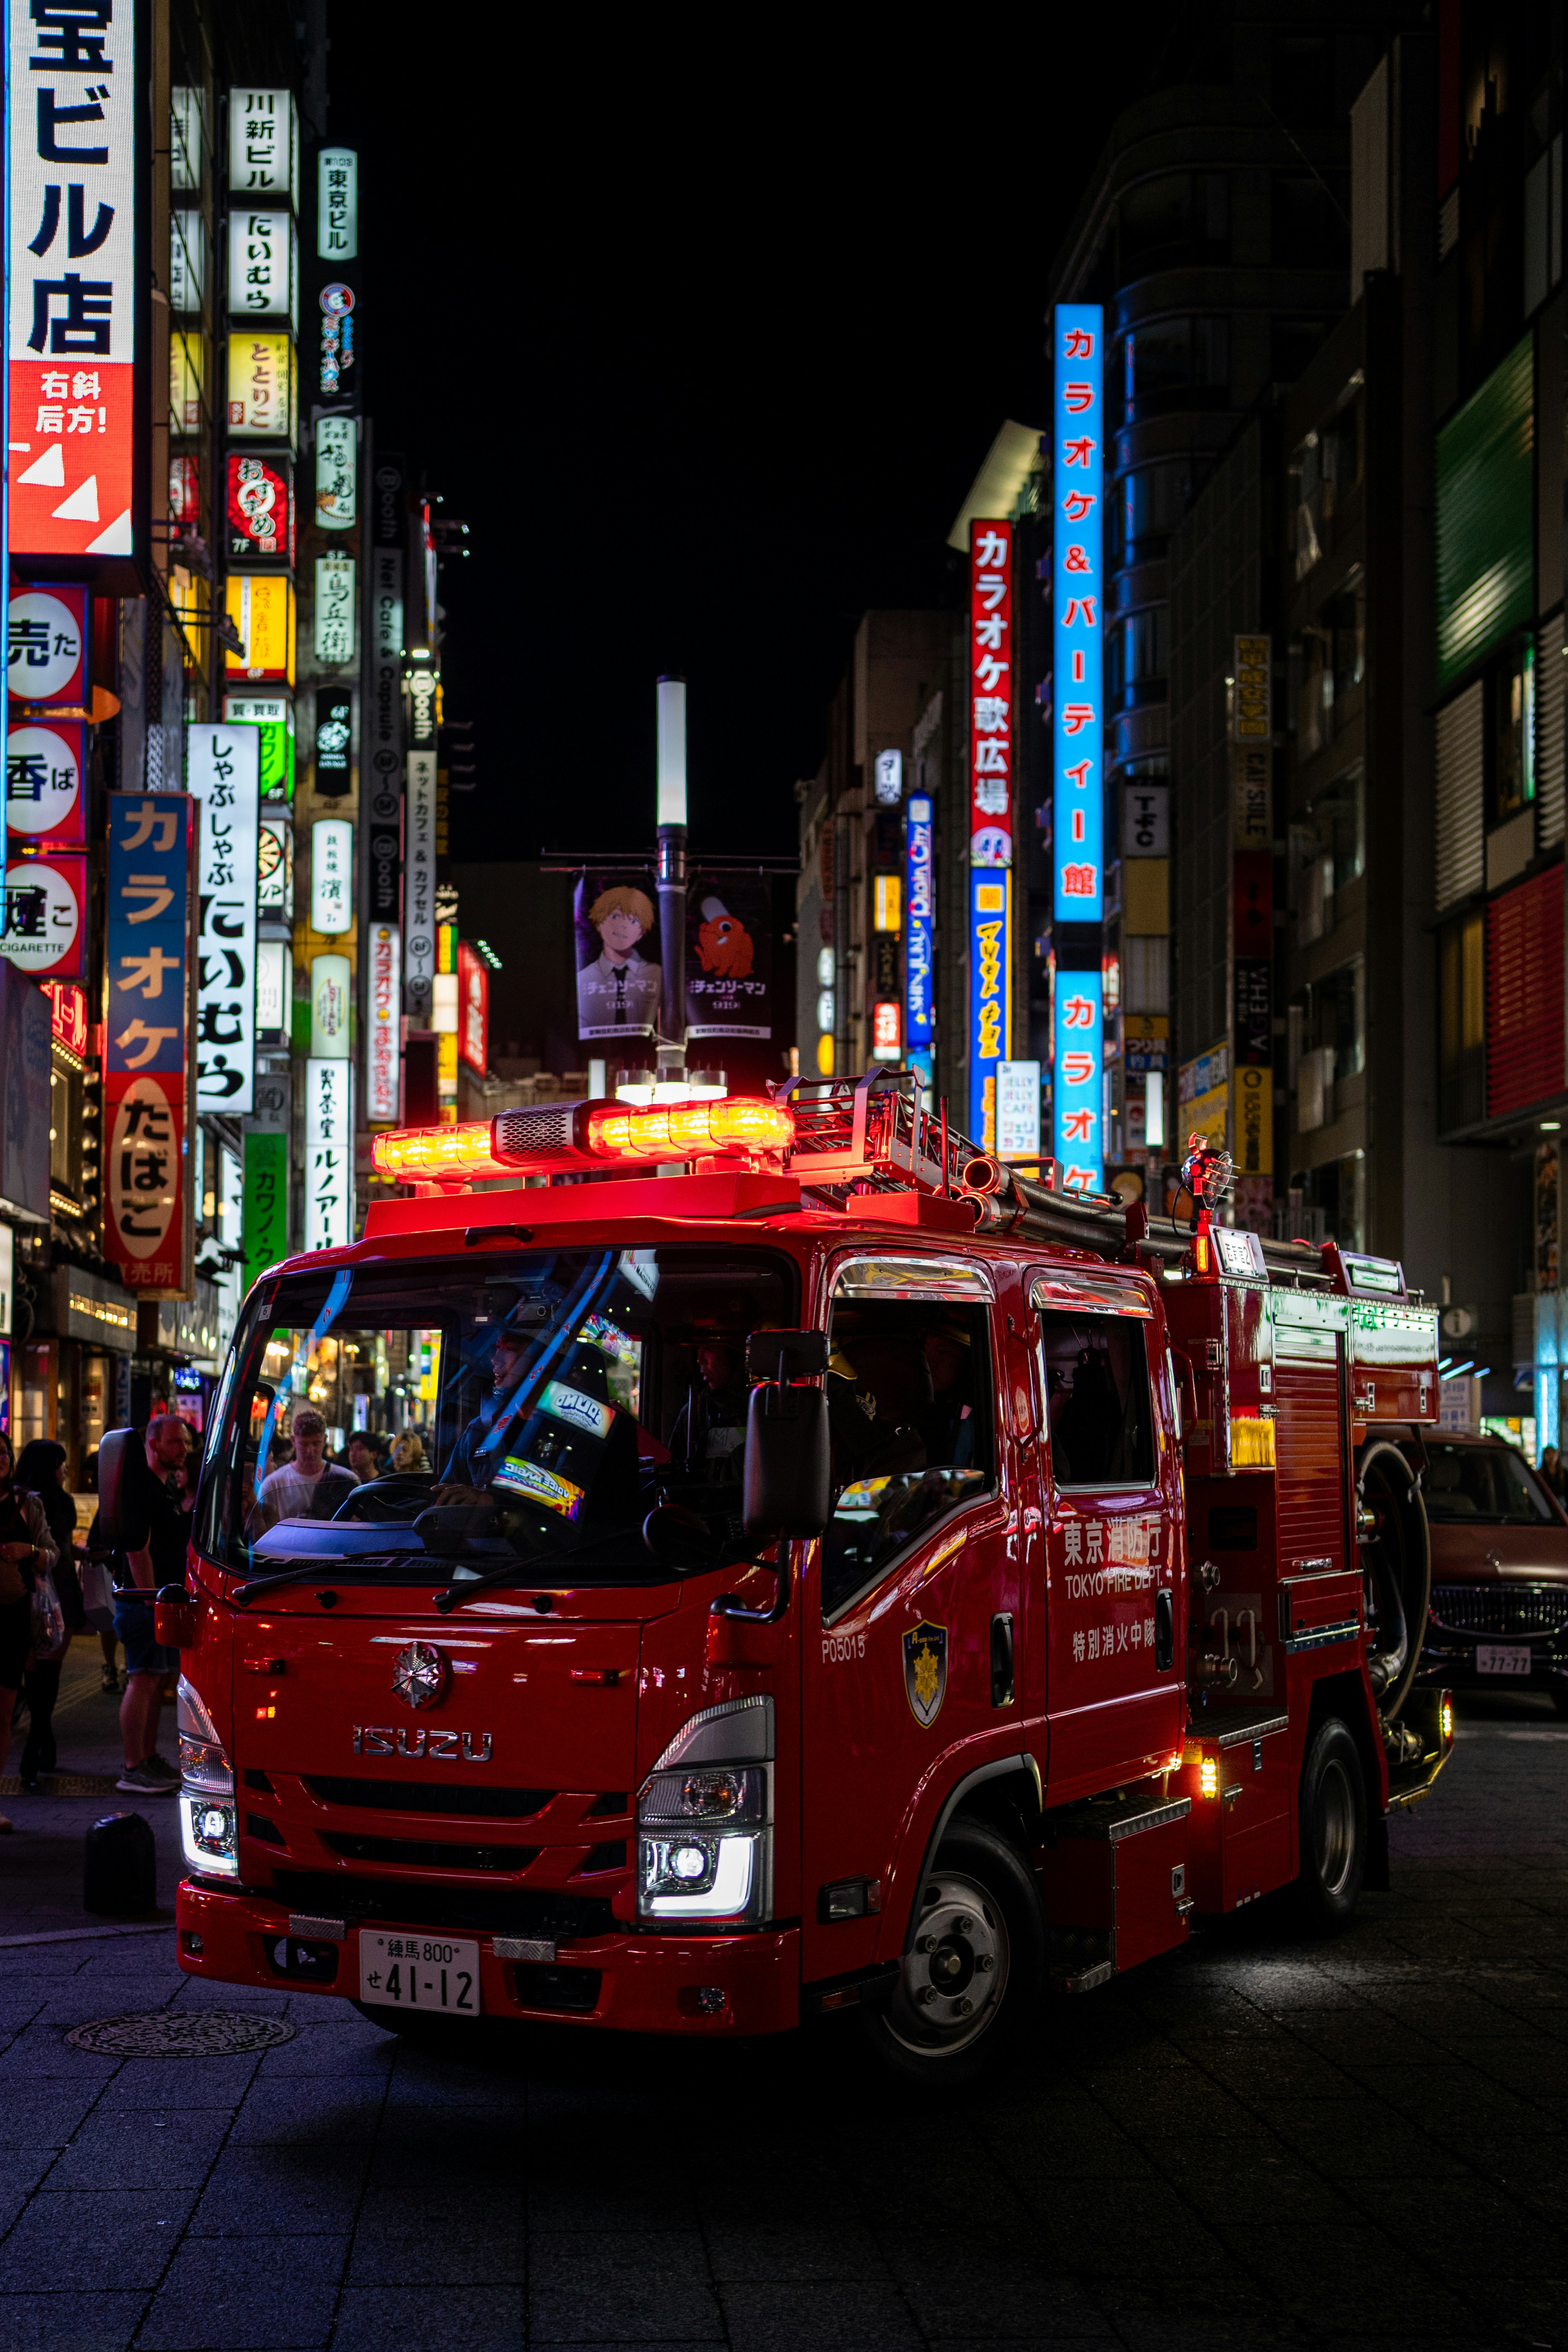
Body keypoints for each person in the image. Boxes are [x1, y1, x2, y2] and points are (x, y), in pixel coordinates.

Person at [114, 1415, 194, 1796]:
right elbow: (137, 1549)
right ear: (153, 1443)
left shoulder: (165, 1489)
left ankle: (147, 1758)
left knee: (156, 1680)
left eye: (185, 1442)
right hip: (145, 1602)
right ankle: (133, 1766)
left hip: (160, 1600)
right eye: (175, 1441)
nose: (183, 1449)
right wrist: (149, 1599)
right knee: (143, 1679)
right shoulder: (143, 1487)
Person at [13, 1440, 86, 1790]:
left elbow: (63, 1546)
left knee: (42, 1674)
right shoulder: (28, 1502)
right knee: (44, 1673)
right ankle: (40, 1742)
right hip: (47, 1591)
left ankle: (40, 1741)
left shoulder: (55, 1501)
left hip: (51, 1591)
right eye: (60, 1464)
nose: (64, 1471)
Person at [0, 1431, 60, 1832]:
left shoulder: (27, 1504)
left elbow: (52, 1554)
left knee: (3, 1713)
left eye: (4, 1452)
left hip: (13, 1620)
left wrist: (30, 1552)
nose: (0, 1459)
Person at [576, 884, 660, 1034]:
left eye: (634, 921)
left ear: (641, 933)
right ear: (600, 923)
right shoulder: (583, 979)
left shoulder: (658, 975)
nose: (623, 926)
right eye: (615, 917)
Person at [256, 1409, 358, 1528]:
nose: (310, 1451)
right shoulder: (273, 1484)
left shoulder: (347, 1479)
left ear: (325, 1440)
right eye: (304, 1444)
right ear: (293, 1441)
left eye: (316, 1443)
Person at [668, 1337, 749, 1485]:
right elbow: (673, 1470)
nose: (699, 1359)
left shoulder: (762, 1408)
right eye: (699, 1350)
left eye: (707, 1349)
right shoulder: (693, 1413)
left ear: (733, 1355)